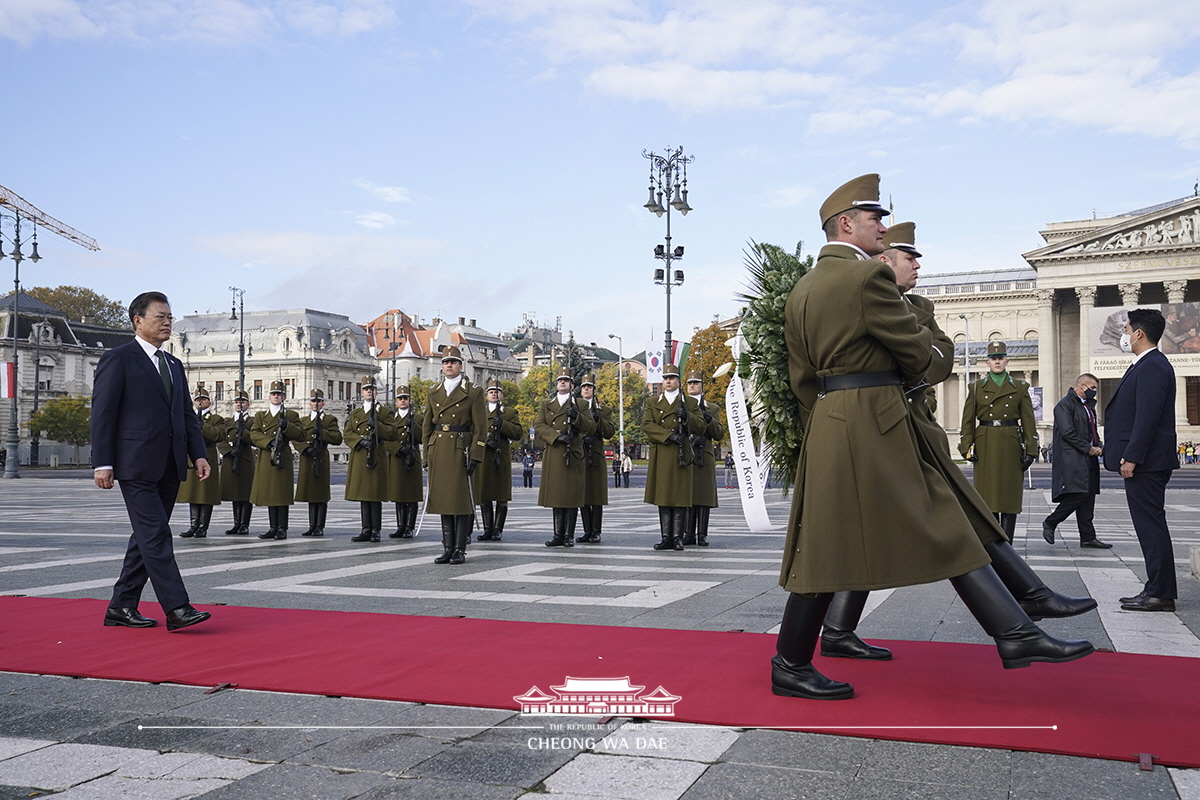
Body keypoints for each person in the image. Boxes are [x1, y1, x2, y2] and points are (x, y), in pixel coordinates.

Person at [773, 177, 1091, 700]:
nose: (883, 225)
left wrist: (833, 417)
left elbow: (802, 379)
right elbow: (921, 358)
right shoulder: (867, 279)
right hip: (876, 417)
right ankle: (1016, 631)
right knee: (942, 519)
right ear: (847, 224)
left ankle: (790, 662)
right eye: (875, 218)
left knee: (825, 544)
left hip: (831, 419)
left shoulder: (803, 290)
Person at [91, 291, 211, 631]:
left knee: (144, 537)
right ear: (138, 320)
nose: (168, 322)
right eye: (161, 317)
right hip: (135, 464)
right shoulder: (119, 358)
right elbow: (103, 413)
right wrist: (103, 462)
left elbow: (187, 416)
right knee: (157, 534)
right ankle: (177, 608)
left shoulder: (172, 364)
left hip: (171, 464)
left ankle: (121, 606)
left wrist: (198, 454)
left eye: (170, 317)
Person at [1104, 308, 1179, 612]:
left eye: (1127, 328)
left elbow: (1147, 417)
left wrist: (1132, 457)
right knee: (1150, 526)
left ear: (1139, 334)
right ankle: (1155, 587)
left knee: (1151, 527)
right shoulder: (1147, 365)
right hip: (1148, 461)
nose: (1123, 334)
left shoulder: (1152, 366)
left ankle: (1160, 593)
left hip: (1147, 462)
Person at [959, 341, 1038, 540]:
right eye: (993, 358)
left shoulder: (1020, 387)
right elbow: (967, 420)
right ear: (987, 363)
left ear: (1007, 361)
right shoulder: (976, 388)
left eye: (1000, 358)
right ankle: (992, 542)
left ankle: (1007, 542)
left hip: (1011, 441)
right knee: (987, 495)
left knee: (1009, 496)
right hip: (985, 441)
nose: (997, 361)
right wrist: (966, 446)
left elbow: (1028, 420)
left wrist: (1031, 449)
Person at [423, 346, 487, 564]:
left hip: (461, 448)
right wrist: (426, 455)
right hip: (439, 448)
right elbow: (426, 427)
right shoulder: (433, 391)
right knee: (443, 501)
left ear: (461, 365)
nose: (448, 365)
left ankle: (459, 548)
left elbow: (481, 427)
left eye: (453, 361)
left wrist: (476, 455)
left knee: (459, 501)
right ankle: (447, 547)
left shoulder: (473, 391)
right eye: (445, 362)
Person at [642, 364, 706, 551]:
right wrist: (668, 435)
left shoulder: (690, 403)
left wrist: (687, 417)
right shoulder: (653, 402)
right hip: (663, 450)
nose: (668, 381)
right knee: (663, 496)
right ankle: (665, 537)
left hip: (681, 453)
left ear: (679, 381)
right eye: (665, 378)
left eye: (672, 378)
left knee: (679, 496)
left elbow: (701, 426)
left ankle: (678, 537)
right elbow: (647, 424)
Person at [1043, 374, 1110, 548]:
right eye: (1093, 388)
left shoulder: (1088, 406)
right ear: (1081, 386)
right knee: (1078, 493)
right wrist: (1088, 448)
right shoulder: (1064, 405)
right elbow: (1068, 433)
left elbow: (1091, 430)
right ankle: (1051, 522)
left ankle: (1087, 536)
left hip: (1088, 457)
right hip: (1073, 457)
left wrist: (1099, 444)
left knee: (1089, 495)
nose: (1095, 392)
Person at [536, 369, 596, 547]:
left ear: (573, 385)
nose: (562, 382)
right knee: (556, 495)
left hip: (573, 451)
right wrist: (555, 435)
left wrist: (576, 417)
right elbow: (539, 425)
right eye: (560, 380)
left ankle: (568, 535)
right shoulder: (546, 404)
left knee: (570, 496)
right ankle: (557, 535)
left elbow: (591, 427)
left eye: (566, 380)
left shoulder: (580, 405)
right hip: (555, 451)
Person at [344, 376, 398, 542]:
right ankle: (365, 529)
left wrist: (378, 426)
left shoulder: (385, 412)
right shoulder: (355, 413)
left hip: (376, 454)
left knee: (374, 495)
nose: (369, 391)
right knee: (363, 494)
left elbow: (392, 433)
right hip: (360, 454)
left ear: (376, 392)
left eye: (372, 389)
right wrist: (360, 440)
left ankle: (375, 530)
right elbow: (347, 433)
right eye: (366, 389)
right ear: (362, 392)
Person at [248, 380, 304, 540]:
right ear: (269, 396)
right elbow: (254, 434)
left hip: (282, 455)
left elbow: (301, 435)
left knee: (281, 493)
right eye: (273, 394)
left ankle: (282, 528)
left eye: (279, 394)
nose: (276, 397)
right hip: (267, 455)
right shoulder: (261, 415)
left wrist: (287, 426)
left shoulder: (291, 415)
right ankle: (273, 527)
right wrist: (268, 442)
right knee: (270, 493)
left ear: (284, 397)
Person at [476, 379, 522, 541]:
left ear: (502, 395)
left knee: (501, 495)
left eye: (497, 391)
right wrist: (484, 441)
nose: (494, 394)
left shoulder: (509, 412)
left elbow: (517, 433)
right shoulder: (479, 412)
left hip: (500, 457)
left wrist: (503, 424)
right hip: (484, 456)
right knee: (484, 494)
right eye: (491, 392)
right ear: (486, 395)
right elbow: (473, 432)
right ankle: (488, 528)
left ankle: (497, 529)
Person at [177, 387, 224, 538]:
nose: (200, 402)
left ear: (209, 401)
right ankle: (193, 525)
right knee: (192, 493)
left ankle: (203, 526)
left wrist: (202, 426)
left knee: (206, 493)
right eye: (197, 400)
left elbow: (219, 435)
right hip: (192, 456)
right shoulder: (189, 417)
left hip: (207, 454)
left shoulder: (216, 419)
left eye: (203, 399)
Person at [685, 370, 724, 546]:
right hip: (687, 452)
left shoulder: (712, 408)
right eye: (689, 383)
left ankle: (702, 533)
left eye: (695, 383)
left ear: (702, 386)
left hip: (705, 453)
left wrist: (709, 420)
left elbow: (719, 434)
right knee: (688, 494)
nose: (692, 385)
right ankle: (688, 533)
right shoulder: (682, 406)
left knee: (704, 495)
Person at [296, 388, 342, 537]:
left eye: (319, 401)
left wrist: (322, 432)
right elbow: (296, 438)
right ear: (310, 403)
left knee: (320, 494)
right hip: (308, 458)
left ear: (323, 403)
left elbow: (337, 438)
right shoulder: (303, 420)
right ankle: (312, 525)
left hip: (321, 456)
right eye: (313, 401)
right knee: (310, 493)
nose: (316, 403)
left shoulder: (329, 420)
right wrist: (305, 449)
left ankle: (319, 526)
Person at [579, 373, 616, 543]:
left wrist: (598, 420)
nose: (587, 389)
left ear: (594, 390)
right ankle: (587, 530)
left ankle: (596, 531)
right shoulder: (576, 408)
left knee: (597, 495)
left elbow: (609, 431)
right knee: (583, 494)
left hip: (596, 452)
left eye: (590, 386)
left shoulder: (603, 410)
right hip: (580, 452)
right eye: (584, 386)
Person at [385, 385, 423, 539]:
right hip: (397, 458)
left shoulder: (417, 418)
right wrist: (398, 449)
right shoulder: (391, 419)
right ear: (396, 402)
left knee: (411, 495)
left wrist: (413, 425)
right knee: (399, 494)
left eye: (405, 398)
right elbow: (386, 439)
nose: (403, 401)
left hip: (412, 457)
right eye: (400, 398)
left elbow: (423, 437)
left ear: (409, 401)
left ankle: (409, 527)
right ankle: (400, 526)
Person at [219, 390, 255, 535]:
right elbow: (220, 437)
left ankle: (244, 523)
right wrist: (227, 450)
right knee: (235, 492)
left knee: (245, 493)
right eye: (237, 402)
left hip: (245, 456)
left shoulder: (252, 421)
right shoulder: (228, 421)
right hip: (231, 457)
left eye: (242, 402)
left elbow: (254, 438)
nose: (239, 405)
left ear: (248, 404)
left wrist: (243, 432)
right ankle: (236, 523)